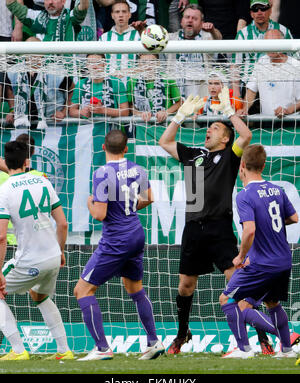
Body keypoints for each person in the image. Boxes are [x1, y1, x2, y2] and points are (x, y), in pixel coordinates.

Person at [158, 88, 275, 355]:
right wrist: (179, 117)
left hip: (220, 227)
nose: (208, 131)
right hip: (193, 228)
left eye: (215, 128)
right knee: (185, 286)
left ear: (225, 137)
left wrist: (229, 113)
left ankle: (262, 339)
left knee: (237, 281)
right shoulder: (194, 155)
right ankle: (182, 334)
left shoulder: (231, 156)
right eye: (208, 127)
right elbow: (164, 142)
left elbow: (247, 135)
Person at [74, 129, 165, 361]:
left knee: (82, 290)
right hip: (136, 233)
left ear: (103, 147)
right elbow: (150, 197)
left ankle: (102, 348)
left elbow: (100, 213)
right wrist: (129, 209)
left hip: (116, 239)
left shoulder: (102, 172)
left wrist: (89, 204)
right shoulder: (139, 169)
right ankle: (154, 341)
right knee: (135, 288)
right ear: (126, 148)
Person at [219, 144, 299, 358]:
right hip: (284, 260)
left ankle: (244, 350)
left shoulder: (245, 195)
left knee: (228, 300)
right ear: (263, 165)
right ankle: (288, 349)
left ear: (242, 165)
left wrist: (240, 256)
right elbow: (294, 218)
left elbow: (250, 230)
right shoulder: (277, 190)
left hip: (261, 263)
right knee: (272, 303)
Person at [0, 140, 72, 361]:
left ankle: (19, 351)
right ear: (27, 161)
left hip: (30, 260)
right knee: (39, 295)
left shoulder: (5, 190)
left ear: (6, 162)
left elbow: (1, 236)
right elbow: (62, 224)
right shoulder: (43, 181)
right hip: (52, 256)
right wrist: (60, 251)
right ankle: (64, 350)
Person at [231, 0, 293, 98]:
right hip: (248, 87)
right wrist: (236, 92)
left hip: (278, 84)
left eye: (263, 8)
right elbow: (235, 65)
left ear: (270, 10)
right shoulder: (242, 34)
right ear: (251, 13)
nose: (259, 12)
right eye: (255, 9)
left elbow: (293, 61)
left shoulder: (283, 31)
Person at [239, 29, 300, 117]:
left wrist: (287, 111)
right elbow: (251, 91)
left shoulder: (296, 65)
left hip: (290, 123)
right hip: (266, 122)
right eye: (268, 43)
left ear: (283, 44)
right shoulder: (261, 62)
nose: (271, 47)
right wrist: (244, 110)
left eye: (275, 43)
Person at [166, 4, 222, 99]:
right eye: (187, 17)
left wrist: (212, 30)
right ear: (182, 21)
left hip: (202, 93)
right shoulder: (171, 38)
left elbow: (218, 38)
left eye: (195, 18)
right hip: (175, 94)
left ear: (201, 23)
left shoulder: (207, 37)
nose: (190, 20)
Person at [69, 53, 129, 119]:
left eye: (98, 63)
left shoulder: (116, 82)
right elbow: (72, 111)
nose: (94, 67)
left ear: (104, 64)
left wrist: (102, 110)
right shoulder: (81, 84)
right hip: (87, 126)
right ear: (87, 65)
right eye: (91, 63)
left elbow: (125, 112)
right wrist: (82, 112)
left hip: (110, 126)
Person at [127, 53, 183, 124]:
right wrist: (140, 114)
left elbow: (180, 102)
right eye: (144, 62)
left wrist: (166, 112)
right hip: (143, 126)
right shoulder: (132, 81)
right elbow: (129, 105)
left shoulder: (167, 79)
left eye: (152, 62)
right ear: (138, 64)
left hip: (166, 124)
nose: (148, 66)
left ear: (158, 63)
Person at [6, 0, 89, 41]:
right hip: (45, 72)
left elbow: (83, 8)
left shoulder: (70, 18)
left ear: (63, 1)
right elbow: (11, 4)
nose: (50, 2)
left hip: (66, 71)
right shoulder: (36, 17)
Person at [99, 0, 140, 80]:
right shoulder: (104, 38)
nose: (121, 15)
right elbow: (99, 63)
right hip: (109, 84)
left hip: (132, 84)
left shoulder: (138, 36)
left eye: (124, 12)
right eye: (117, 12)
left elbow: (145, 63)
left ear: (129, 14)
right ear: (112, 15)